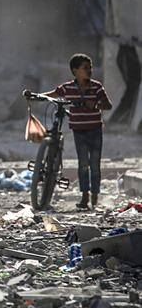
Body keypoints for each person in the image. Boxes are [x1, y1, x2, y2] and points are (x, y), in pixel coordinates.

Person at [28, 54, 113, 210]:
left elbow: (108, 105)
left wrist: (94, 105)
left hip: (95, 130)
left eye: (90, 67)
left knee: (94, 164)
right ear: (75, 71)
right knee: (83, 164)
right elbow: (53, 94)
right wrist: (36, 96)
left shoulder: (96, 87)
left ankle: (94, 196)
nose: (89, 70)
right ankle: (84, 196)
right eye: (85, 68)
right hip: (79, 131)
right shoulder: (68, 88)